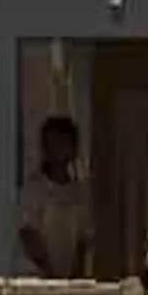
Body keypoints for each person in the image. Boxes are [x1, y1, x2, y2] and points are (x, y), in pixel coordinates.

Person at [17, 116, 90, 279]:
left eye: (63, 143)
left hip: (68, 280)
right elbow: (28, 235)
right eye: (52, 143)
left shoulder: (79, 192)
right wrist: (49, 273)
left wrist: (75, 279)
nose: (58, 149)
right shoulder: (34, 189)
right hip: (37, 278)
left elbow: (82, 241)